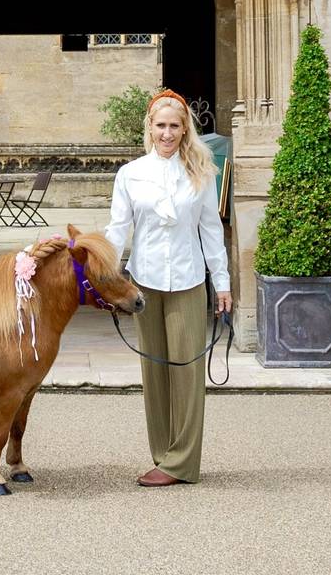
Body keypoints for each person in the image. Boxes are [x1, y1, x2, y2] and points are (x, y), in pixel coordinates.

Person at [104, 89, 232, 487]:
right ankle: (163, 455)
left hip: (189, 279)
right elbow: (118, 229)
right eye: (161, 125)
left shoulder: (201, 172)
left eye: (175, 125)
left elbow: (212, 231)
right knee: (155, 370)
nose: (167, 133)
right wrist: (107, 278)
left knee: (188, 372)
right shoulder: (130, 174)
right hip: (145, 282)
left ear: (185, 129)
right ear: (150, 127)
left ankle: (182, 462)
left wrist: (222, 283)